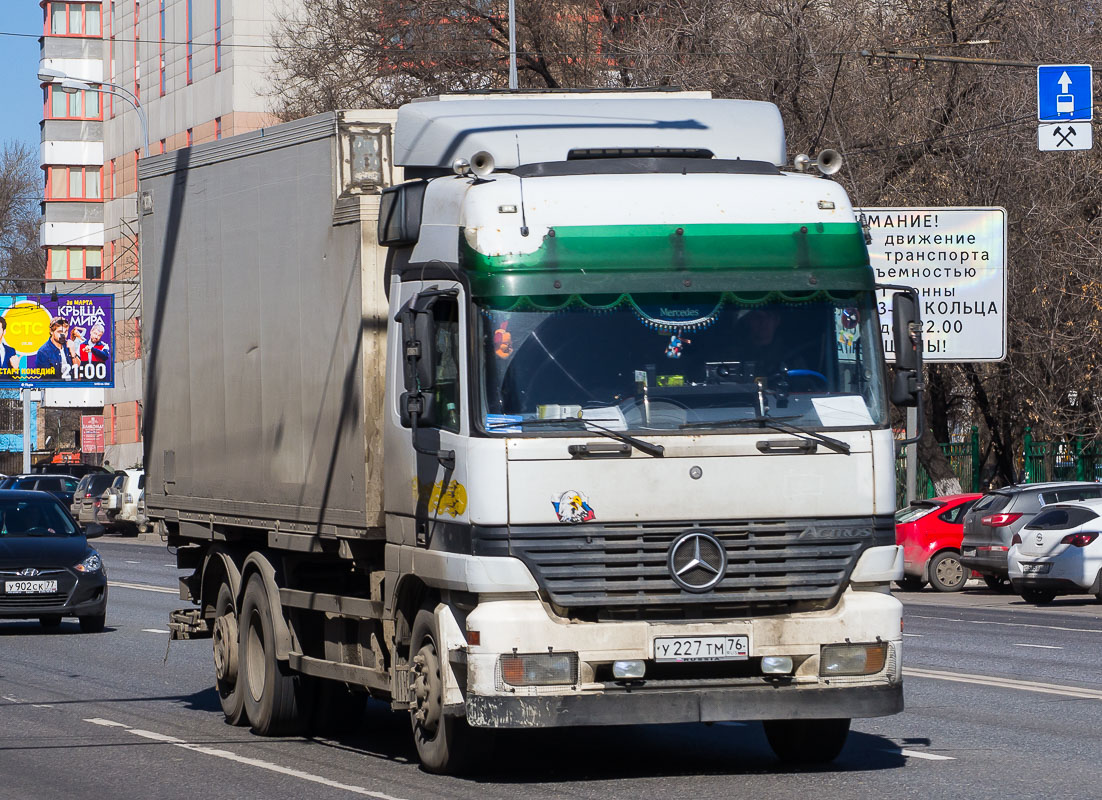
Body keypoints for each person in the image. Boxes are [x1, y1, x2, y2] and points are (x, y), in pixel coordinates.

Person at [34, 316, 72, 381]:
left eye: (65, 332)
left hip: (73, 387)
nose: (63, 335)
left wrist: (73, 352)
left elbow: (77, 370)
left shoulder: (69, 345)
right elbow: (47, 379)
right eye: (60, 332)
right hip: (55, 388)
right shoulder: (43, 352)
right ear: (51, 331)